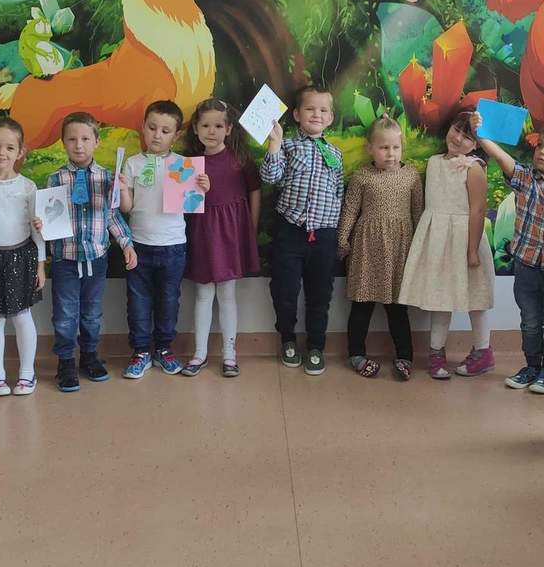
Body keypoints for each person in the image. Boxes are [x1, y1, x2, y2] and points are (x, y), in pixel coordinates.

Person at [480, 121, 544, 394]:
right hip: (526, 266)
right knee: (530, 321)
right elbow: (501, 157)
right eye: (540, 146)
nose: (542, 152)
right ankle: (532, 366)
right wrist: (481, 132)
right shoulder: (525, 179)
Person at [44, 112, 137, 393]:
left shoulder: (108, 178)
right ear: (63, 143)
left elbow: (112, 216)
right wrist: (42, 224)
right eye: (72, 139)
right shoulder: (55, 179)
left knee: (92, 313)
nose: (79, 145)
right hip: (65, 259)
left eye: (85, 138)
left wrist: (126, 243)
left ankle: (89, 356)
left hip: (96, 259)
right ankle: (65, 361)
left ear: (97, 141)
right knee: (64, 314)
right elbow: (48, 216)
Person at [398, 112, 493, 379]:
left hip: (465, 240)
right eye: (456, 130)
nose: (458, 138)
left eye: (467, 137)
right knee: (440, 296)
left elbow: (478, 211)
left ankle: (483, 351)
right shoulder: (433, 162)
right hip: (438, 240)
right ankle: (436, 352)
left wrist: (472, 249)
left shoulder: (474, 168)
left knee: (476, 297)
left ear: (477, 144)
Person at [118, 101, 208, 380]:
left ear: (176, 135)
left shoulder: (183, 166)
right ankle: (140, 352)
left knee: (169, 300)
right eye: (152, 128)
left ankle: (164, 349)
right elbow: (127, 208)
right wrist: (123, 190)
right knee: (138, 301)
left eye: (165, 131)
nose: (157, 135)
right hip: (138, 246)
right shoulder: (133, 164)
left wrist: (203, 187)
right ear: (143, 128)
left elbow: (192, 204)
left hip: (173, 246)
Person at [261, 85, 344, 376]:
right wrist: (274, 144)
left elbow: (338, 192)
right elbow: (270, 177)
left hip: (324, 235)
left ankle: (316, 346)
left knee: (320, 294)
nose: (316, 114)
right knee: (285, 290)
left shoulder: (335, 153)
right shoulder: (288, 145)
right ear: (297, 114)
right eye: (310, 109)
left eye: (323, 110)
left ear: (330, 118)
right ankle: (287, 339)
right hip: (290, 230)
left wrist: (335, 231)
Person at [338, 116, 423, 381]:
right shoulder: (362, 176)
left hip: (400, 250)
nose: (391, 153)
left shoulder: (411, 176)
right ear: (370, 149)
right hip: (367, 248)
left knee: (397, 308)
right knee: (361, 305)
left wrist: (421, 248)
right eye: (384, 148)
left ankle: (405, 357)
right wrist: (342, 239)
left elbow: (418, 213)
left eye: (396, 147)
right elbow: (350, 210)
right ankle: (356, 354)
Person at [181, 98, 261, 377]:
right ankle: (199, 354)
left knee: (227, 294)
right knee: (203, 294)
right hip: (203, 233)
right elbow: (184, 204)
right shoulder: (189, 163)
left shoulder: (240, 159)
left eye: (218, 126)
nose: (211, 131)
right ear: (195, 128)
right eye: (205, 125)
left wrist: (251, 228)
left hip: (231, 234)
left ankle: (229, 355)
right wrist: (199, 188)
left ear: (228, 129)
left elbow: (254, 191)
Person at [0, 116, 42, 397]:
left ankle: (27, 373)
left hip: (22, 257)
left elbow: (37, 229)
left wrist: (41, 265)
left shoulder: (28, 187)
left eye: (10, 148)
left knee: (23, 316)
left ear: (20, 151)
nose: (2, 153)